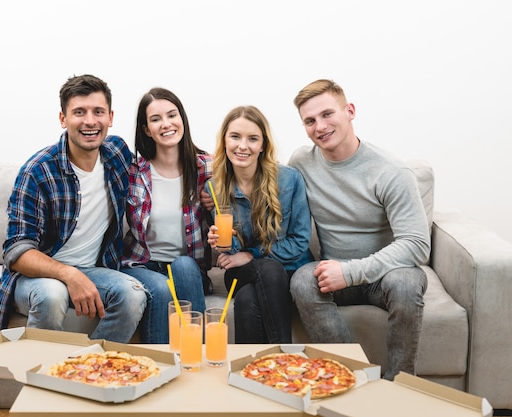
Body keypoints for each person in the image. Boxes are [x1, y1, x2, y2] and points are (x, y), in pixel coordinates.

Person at [0, 74, 147, 343]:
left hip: (95, 269)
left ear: (111, 117)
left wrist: (208, 174)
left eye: (98, 112)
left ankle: (87, 368)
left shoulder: (117, 154)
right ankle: (43, 376)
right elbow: (17, 251)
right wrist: (69, 275)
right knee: (51, 295)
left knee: (133, 294)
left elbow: (162, 163)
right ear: (63, 119)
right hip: (39, 276)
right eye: (79, 112)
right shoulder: (38, 170)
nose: (90, 121)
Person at [288, 79, 431, 379]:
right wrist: (214, 191)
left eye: (328, 114)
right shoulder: (302, 162)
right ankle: (350, 379)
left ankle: (398, 388)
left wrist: (350, 271)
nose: (320, 126)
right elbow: (266, 186)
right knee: (302, 280)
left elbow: (417, 244)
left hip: (384, 277)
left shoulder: (391, 172)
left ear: (349, 111)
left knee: (407, 282)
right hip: (335, 278)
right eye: (310, 121)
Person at [206, 105, 314, 343]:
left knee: (247, 299)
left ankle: (249, 372)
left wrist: (251, 255)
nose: (243, 146)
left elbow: (300, 241)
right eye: (235, 137)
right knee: (266, 269)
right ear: (224, 141)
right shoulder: (214, 188)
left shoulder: (289, 180)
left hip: (288, 268)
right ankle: (284, 358)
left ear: (263, 145)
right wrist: (221, 243)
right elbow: (230, 252)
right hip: (240, 272)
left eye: (252, 139)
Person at [121, 87, 211, 344]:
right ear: (147, 129)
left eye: (172, 115)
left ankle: (197, 356)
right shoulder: (134, 172)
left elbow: (233, 209)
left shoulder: (207, 169)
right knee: (160, 289)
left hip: (189, 269)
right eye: (156, 119)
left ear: (182, 119)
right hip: (143, 265)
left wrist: (214, 204)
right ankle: (160, 365)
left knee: (182, 265)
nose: (166, 124)